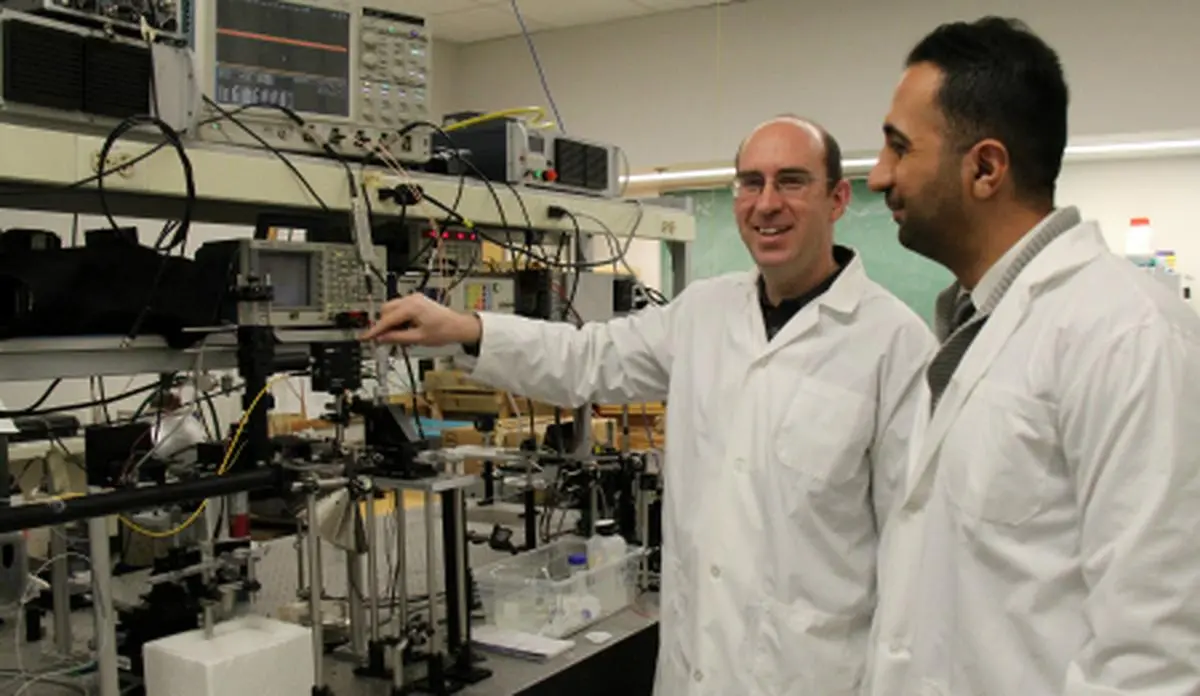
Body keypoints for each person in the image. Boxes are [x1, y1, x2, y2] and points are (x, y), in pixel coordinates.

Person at [364, 116, 935, 695]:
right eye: (749, 183)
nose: (766, 204)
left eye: (790, 182)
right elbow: (586, 359)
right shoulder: (703, 313)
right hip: (695, 669)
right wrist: (465, 328)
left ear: (837, 198)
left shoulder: (893, 343)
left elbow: (916, 558)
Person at [864, 16, 1200, 696]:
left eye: (900, 148)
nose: (878, 176)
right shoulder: (973, 324)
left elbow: (1151, 657)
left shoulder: (1129, 335)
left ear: (985, 167)